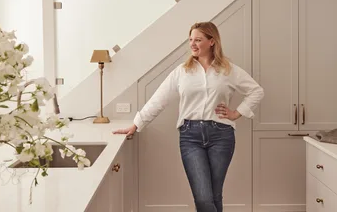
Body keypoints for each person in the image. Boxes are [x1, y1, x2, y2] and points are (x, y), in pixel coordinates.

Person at [113, 21, 264, 212]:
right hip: (190, 137)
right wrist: (136, 124)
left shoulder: (228, 70)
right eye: (190, 39)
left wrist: (237, 113)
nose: (192, 44)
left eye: (198, 39)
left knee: (215, 194)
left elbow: (256, 91)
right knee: (203, 197)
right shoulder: (182, 72)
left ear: (212, 42)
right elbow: (158, 100)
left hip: (222, 136)